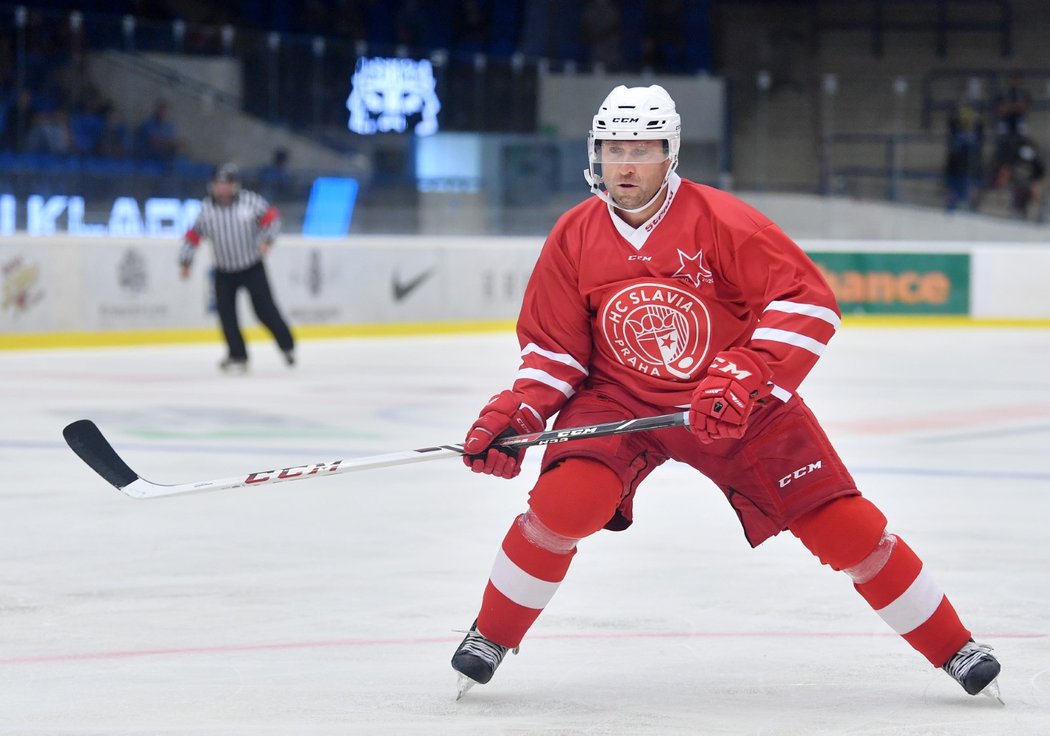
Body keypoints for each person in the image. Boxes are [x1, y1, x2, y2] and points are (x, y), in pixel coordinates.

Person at [450, 85, 1002, 703]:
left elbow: (807, 304)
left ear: (670, 153)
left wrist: (745, 375)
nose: (625, 163)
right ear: (595, 153)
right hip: (621, 400)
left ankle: (954, 646)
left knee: (844, 527)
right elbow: (556, 351)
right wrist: (519, 413)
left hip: (732, 405)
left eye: (642, 148)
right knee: (565, 501)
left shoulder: (721, 220)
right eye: (612, 148)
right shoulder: (575, 234)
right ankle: (493, 634)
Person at [179, 162, 296, 372]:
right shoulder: (206, 210)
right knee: (227, 315)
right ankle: (237, 354)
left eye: (227, 184)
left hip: (251, 267)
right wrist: (186, 262)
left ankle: (286, 345)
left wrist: (267, 240)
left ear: (235, 185)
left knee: (265, 311)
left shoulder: (251, 202)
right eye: (218, 184)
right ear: (212, 186)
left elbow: (273, 220)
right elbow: (193, 236)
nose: (222, 188)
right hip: (224, 271)